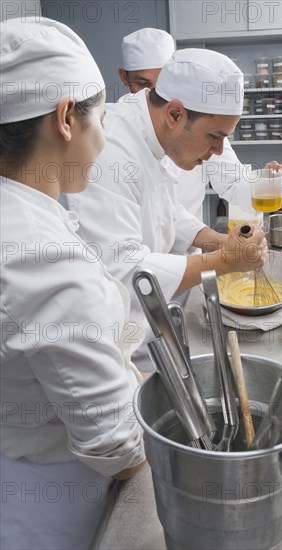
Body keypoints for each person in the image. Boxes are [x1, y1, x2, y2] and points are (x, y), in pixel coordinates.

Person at [0, 18, 145, 550]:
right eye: (100, 120)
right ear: (66, 118)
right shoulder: (39, 252)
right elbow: (113, 442)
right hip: (53, 504)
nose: (103, 141)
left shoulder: (27, 214)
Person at [63, 48, 269, 371]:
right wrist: (224, 261)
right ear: (174, 114)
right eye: (214, 138)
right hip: (115, 349)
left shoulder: (153, 129)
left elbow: (165, 210)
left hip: (152, 327)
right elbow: (126, 272)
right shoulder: (113, 152)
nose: (217, 152)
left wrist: (217, 240)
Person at [118, 28, 282, 220]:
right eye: (144, 84)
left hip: (191, 245)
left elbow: (233, 182)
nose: (156, 94)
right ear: (125, 78)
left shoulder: (202, 126)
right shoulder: (117, 133)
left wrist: (264, 182)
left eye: (162, 83)